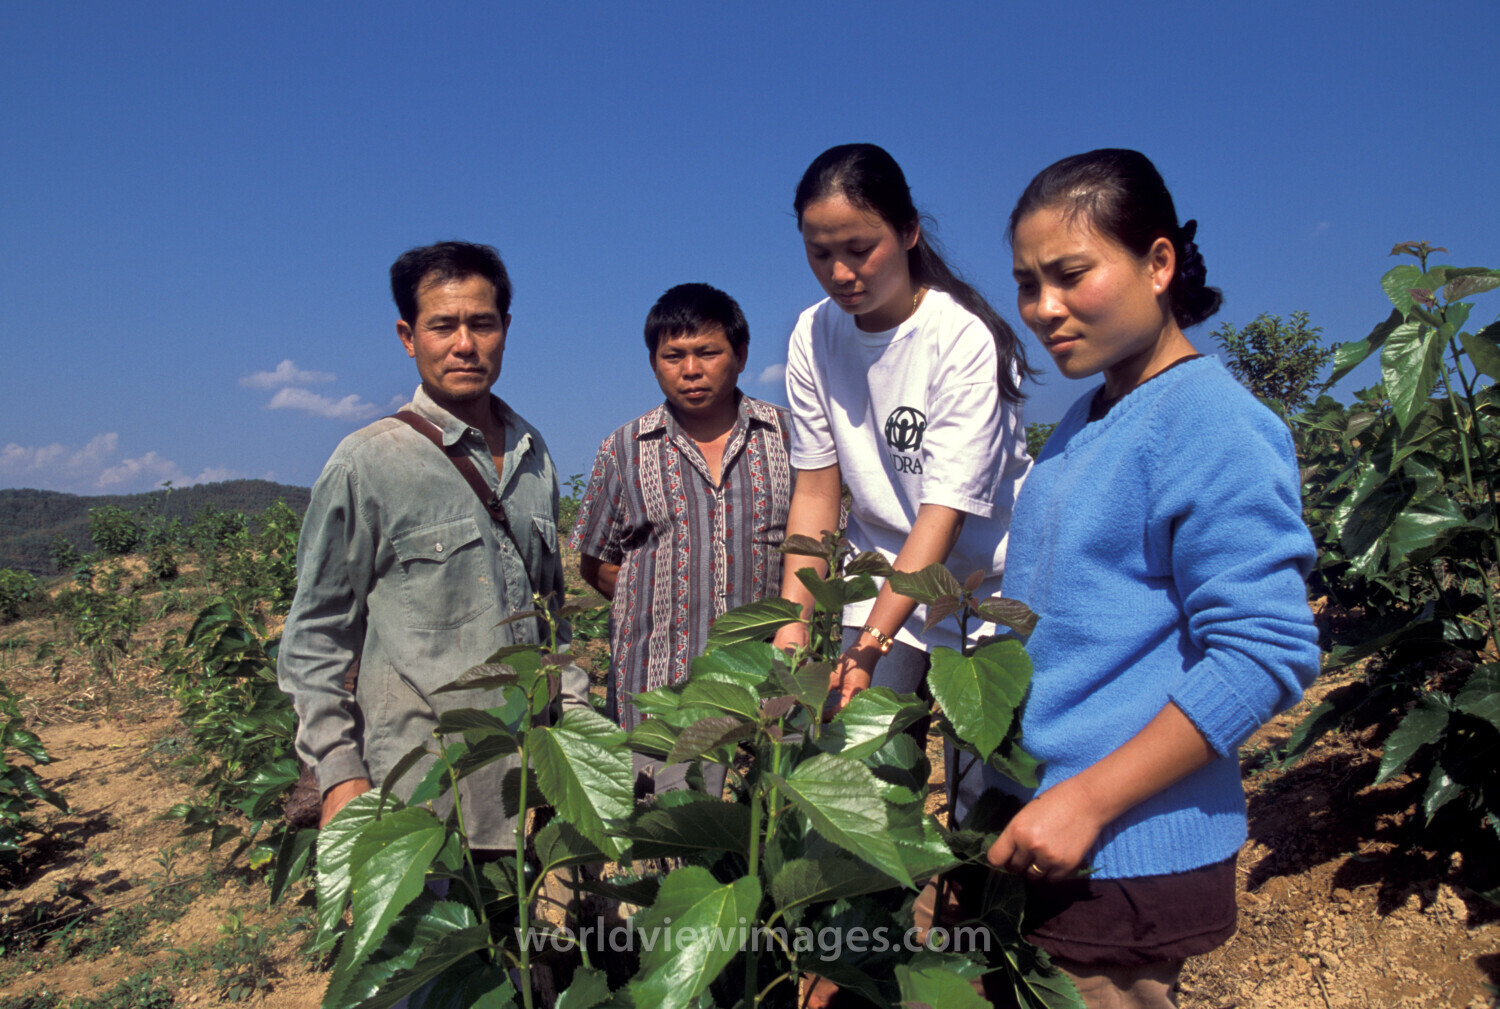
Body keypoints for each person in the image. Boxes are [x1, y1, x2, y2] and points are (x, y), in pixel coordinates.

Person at [983, 149, 1320, 1007]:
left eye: (1071, 275)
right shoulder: (1088, 417)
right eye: (1027, 284)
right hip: (1046, 831)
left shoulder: (1211, 421)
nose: (1044, 308)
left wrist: (1088, 802)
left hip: (1120, 852)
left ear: (1159, 263)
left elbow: (1264, 653)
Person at [277, 240, 586, 850]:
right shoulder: (368, 463)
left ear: (505, 329)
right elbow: (315, 636)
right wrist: (339, 772)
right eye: (443, 326)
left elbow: (551, 618)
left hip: (529, 783)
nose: (465, 344)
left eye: (482, 324)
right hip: (418, 788)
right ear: (408, 336)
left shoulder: (534, 455)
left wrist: (573, 721)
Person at [771, 142, 1034, 729]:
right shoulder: (813, 334)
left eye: (860, 249)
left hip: (981, 588)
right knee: (859, 748)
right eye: (820, 253)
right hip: (881, 574)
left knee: (983, 762)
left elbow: (945, 513)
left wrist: (870, 646)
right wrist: (792, 624)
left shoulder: (961, 338)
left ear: (909, 231)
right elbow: (816, 492)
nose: (840, 274)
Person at [570, 282, 792, 797]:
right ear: (654, 363)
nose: (691, 370)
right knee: (667, 831)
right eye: (673, 356)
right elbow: (595, 561)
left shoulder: (789, 438)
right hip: (660, 694)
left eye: (707, 352)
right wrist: (656, 597)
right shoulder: (625, 449)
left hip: (768, 692)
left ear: (740, 355)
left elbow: (816, 551)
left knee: (768, 828)